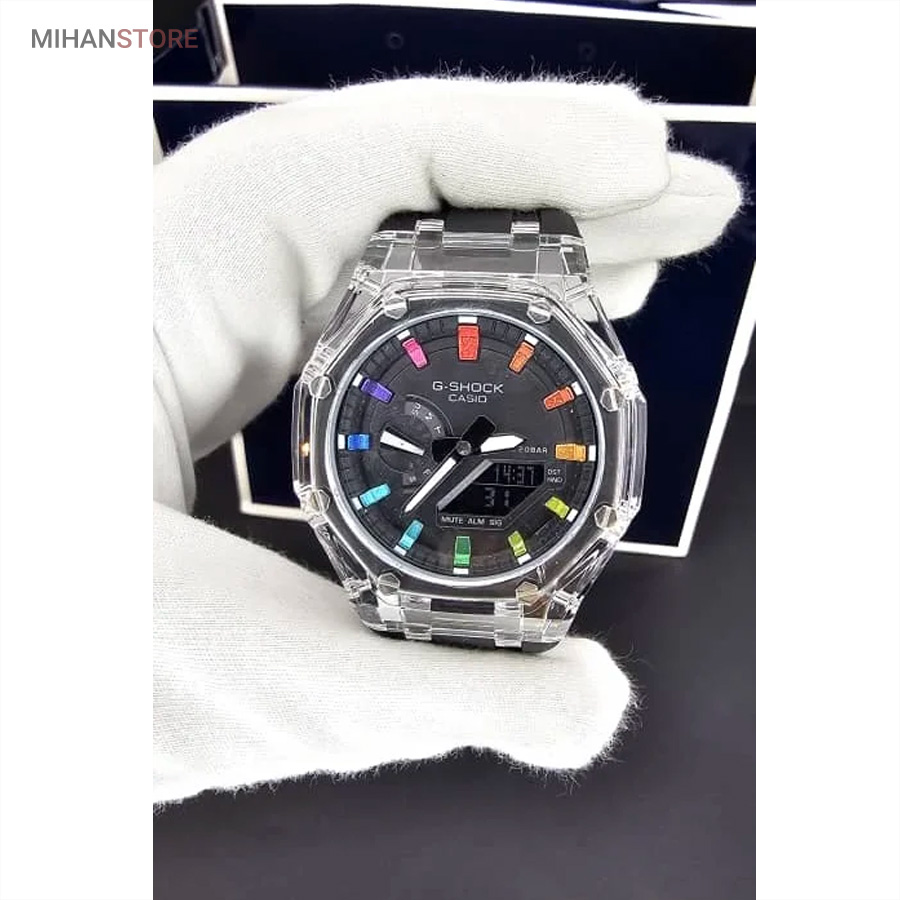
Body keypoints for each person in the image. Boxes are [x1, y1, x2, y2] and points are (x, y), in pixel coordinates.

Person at [153, 77, 740, 805]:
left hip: (487, 547)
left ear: (619, 412)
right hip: (428, 547)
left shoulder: (580, 399)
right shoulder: (355, 394)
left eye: (472, 450)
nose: (463, 453)